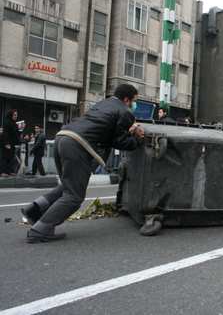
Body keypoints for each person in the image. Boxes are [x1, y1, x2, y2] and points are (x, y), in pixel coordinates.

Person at [21, 84, 145, 243]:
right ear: (127, 99)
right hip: (78, 144)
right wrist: (137, 139)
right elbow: (119, 141)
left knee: (68, 186)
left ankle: (33, 210)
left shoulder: (103, 104)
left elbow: (104, 130)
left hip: (63, 137)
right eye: (134, 101)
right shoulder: (124, 111)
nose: (134, 105)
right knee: (74, 196)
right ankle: (41, 229)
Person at [1, 109, 20, 176]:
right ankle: (3, 172)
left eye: (16, 115)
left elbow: (16, 134)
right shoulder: (7, 122)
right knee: (5, 157)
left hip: (12, 144)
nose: (16, 116)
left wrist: (21, 129)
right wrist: (6, 143)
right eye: (14, 115)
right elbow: (5, 134)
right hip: (7, 143)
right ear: (11, 115)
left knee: (11, 157)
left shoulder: (15, 124)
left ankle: (9, 171)